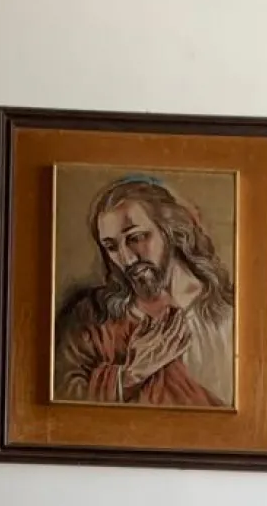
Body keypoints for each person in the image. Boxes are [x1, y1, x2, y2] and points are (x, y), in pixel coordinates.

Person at [54, 174, 235, 408]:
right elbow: (61, 398)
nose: (127, 259)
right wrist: (131, 375)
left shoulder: (229, 316)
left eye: (136, 238)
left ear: (172, 231)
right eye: (111, 247)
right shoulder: (93, 318)